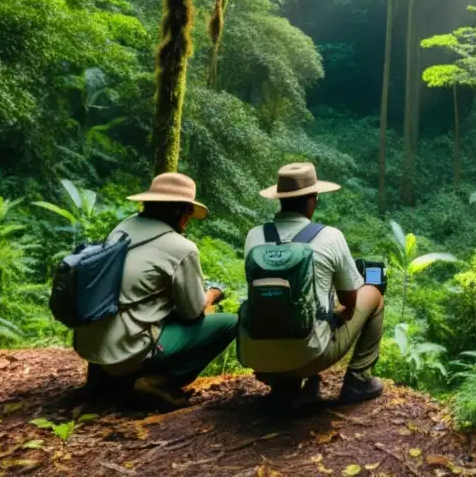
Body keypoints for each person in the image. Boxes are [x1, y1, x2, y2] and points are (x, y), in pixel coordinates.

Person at [74, 172, 237, 408]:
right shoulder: (181, 248)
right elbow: (192, 313)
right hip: (127, 349)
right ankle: (161, 381)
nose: (188, 219)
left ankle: (104, 380)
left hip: (91, 345)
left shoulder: (123, 228)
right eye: (188, 212)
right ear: (178, 211)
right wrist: (212, 294)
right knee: (230, 323)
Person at [242, 162, 384, 405]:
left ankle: (283, 383)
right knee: (373, 294)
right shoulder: (330, 236)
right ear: (312, 200)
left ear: (281, 199)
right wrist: (335, 314)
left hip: (258, 357)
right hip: (309, 356)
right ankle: (358, 379)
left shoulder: (255, 236)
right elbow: (350, 302)